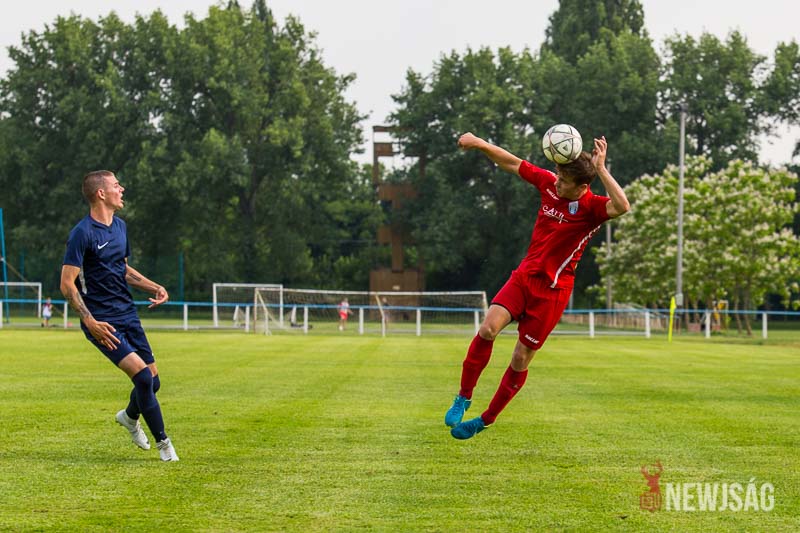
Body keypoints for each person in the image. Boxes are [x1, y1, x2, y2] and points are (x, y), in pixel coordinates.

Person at [445, 132, 630, 440]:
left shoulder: (592, 209)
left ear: (582, 186)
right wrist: (479, 143)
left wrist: (601, 168)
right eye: (557, 175)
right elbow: (511, 162)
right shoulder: (548, 184)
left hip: (553, 293)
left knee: (520, 358)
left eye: (563, 180)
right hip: (524, 278)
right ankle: (463, 396)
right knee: (488, 329)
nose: (557, 182)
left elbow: (622, 205)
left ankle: (485, 419)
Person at [60, 170, 179, 461]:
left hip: (127, 314)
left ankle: (128, 416)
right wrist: (89, 321)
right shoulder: (82, 233)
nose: (122, 189)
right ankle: (164, 445)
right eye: (116, 185)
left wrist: (155, 286)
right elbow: (66, 284)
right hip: (102, 321)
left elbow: (122, 269)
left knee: (153, 383)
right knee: (143, 378)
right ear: (101, 193)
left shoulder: (120, 227)